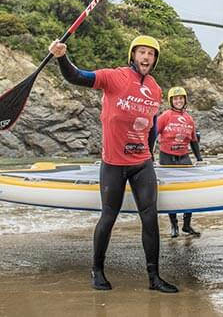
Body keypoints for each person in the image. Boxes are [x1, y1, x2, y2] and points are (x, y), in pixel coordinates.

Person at [49, 35, 178, 293]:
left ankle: (154, 277)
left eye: (151, 54)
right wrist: (62, 57)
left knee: (150, 218)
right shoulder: (113, 77)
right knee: (108, 217)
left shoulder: (154, 88)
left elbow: (151, 124)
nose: (146, 57)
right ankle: (97, 270)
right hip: (113, 163)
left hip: (142, 162)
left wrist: (151, 152)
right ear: (132, 55)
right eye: (141, 52)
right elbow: (76, 76)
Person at [156, 86, 203, 238]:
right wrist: (148, 155)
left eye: (181, 98)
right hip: (167, 157)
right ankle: (174, 225)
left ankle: (187, 225)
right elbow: (152, 135)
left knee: (189, 191)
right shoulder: (165, 116)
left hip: (184, 157)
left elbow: (194, 140)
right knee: (171, 193)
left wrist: (199, 158)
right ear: (171, 101)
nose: (178, 101)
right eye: (176, 98)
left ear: (185, 100)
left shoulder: (189, 118)